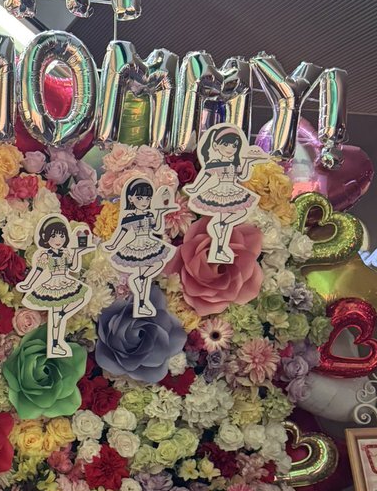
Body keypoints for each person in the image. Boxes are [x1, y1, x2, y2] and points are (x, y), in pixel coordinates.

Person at [184, 124, 267, 264]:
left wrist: (248, 161)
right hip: (220, 191)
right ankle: (219, 249)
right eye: (226, 144)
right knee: (225, 225)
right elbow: (206, 176)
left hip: (233, 191)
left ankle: (219, 235)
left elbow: (243, 176)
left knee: (234, 217)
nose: (230, 148)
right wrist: (195, 188)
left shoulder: (235, 163)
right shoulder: (215, 162)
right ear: (216, 146)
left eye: (234, 146)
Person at [16, 215, 94, 356]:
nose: (58, 240)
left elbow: (74, 267)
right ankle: (55, 344)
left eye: (61, 236)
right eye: (53, 236)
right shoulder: (45, 255)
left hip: (66, 282)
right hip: (52, 285)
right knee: (55, 318)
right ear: (46, 238)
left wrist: (77, 252)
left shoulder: (66, 253)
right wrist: (28, 284)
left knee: (82, 296)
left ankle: (62, 318)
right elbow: (38, 271)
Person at [105, 178, 175, 317]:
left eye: (147, 198)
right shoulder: (129, 217)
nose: (144, 201)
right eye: (140, 198)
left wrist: (160, 213)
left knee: (153, 268)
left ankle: (140, 289)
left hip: (149, 243)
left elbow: (158, 229)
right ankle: (141, 304)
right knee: (144, 278)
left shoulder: (149, 214)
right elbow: (122, 232)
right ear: (131, 198)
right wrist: (113, 245)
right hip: (136, 245)